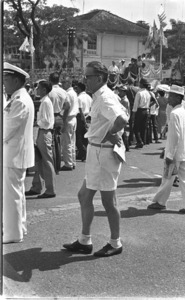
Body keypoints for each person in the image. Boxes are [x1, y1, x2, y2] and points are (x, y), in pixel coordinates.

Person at [63, 61, 128, 257]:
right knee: (84, 196)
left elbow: (122, 119)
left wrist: (111, 133)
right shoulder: (100, 96)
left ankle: (115, 242)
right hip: (97, 151)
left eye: (88, 77)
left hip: (104, 153)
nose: (85, 80)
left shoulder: (106, 97)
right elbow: (122, 115)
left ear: (99, 78)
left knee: (109, 201)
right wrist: (110, 132)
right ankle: (85, 240)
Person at [147, 85, 185, 215]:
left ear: (177, 97)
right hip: (184, 153)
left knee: (167, 179)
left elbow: (175, 136)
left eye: (171, 95)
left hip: (175, 155)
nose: (168, 98)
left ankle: (160, 202)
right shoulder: (184, 112)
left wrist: (169, 154)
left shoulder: (175, 113)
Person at [3, 62, 35, 243]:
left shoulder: (19, 101)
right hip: (15, 154)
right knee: (17, 194)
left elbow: (7, 129)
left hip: (13, 155)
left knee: (11, 196)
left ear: (16, 81)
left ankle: (12, 234)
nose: (3, 83)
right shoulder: (17, 98)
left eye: (6, 80)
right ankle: (19, 227)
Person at [25, 80, 56, 199]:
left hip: (44, 131)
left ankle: (50, 189)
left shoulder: (46, 102)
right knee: (38, 160)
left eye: (39, 88)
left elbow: (46, 121)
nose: (36, 90)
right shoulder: (44, 102)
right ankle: (36, 186)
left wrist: (36, 122)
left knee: (47, 162)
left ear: (44, 90)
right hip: (41, 131)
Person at [49, 72, 67, 173]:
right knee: (58, 142)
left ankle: (54, 165)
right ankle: (58, 165)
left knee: (51, 143)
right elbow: (67, 105)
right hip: (59, 116)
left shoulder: (49, 91)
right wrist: (62, 114)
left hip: (52, 116)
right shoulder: (63, 91)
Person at [60, 77, 79, 171]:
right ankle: (72, 161)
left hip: (69, 118)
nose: (62, 84)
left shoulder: (68, 93)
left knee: (66, 142)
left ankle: (68, 163)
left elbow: (67, 108)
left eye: (64, 82)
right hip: (73, 118)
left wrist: (63, 122)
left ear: (68, 83)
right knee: (72, 142)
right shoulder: (74, 93)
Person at [75, 82, 93, 161]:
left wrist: (83, 119)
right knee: (85, 137)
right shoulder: (89, 97)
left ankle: (83, 152)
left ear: (79, 88)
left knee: (78, 137)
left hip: (80, 117)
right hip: (88, 115)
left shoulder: (79, 97)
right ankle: (84, 152)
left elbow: (80, 109)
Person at [132, 78, 151, 148]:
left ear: (142, 84)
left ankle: (139, 141)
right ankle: (142, 141)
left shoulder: (139, 93)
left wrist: (134, 113)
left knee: (135, 128)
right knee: (143, 127)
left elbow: (135, 104)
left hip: (139, 111)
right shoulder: (148, 93)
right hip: (146, 110)